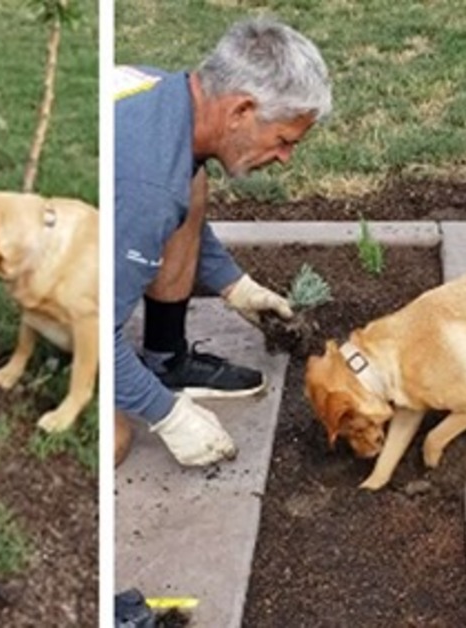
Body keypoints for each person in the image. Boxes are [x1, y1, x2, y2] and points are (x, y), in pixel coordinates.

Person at [115, 18, 332, 467]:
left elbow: (173, 203)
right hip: (49, 262)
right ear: (241, 111)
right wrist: (168, 416)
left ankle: (166, 359)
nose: (285, 159)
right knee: (113, 441)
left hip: (104, 205)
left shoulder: (161, 94)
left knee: (190, 182)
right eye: (284, 141)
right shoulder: (147, 188)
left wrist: (235, 286)